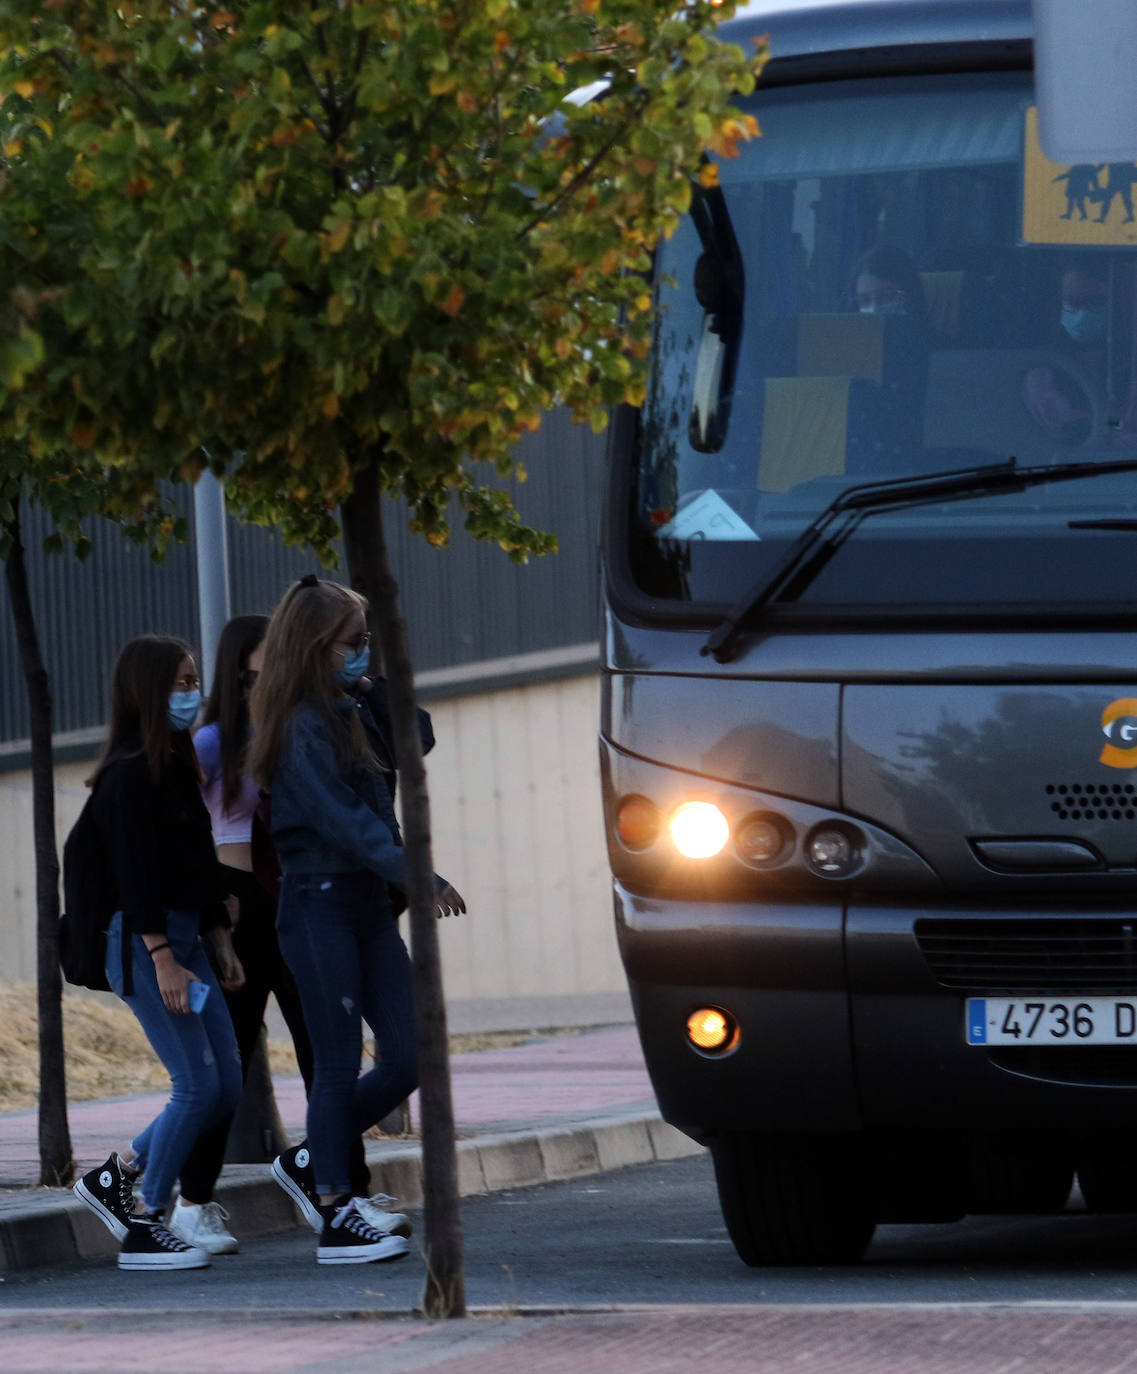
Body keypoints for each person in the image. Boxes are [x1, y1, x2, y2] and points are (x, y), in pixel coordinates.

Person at [167, 616, 414, 1254]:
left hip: (292, 895)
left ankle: (343, 1189)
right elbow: (183, 823)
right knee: (228, 1061)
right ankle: (193, 1201)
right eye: (265, 652)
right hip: (237, 903)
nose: (280, 658)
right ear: (242, 664)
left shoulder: (300, 720)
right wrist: (209, 913)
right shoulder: (216, 740)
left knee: (325, 1054)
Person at [248, 576, 465, 1265]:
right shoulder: (298, 726)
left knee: (412, 1053)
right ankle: (336, 1208)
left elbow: (417, 738)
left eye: (367, 640)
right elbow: (342, 822)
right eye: (353, 642)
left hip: (367, 904)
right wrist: (416, 874)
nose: (363, 652)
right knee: (337, 1061)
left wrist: (373, 686)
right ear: (315, 646)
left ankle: (317, 1157)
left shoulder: (350, 707)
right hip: (319, 903)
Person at [71, 635, 244, 1271]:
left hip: (187, 937)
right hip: (147, 942)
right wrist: (164, 958)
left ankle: (116, 1177)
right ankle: (145, 1221)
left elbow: (194, 865)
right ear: (146, 691)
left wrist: (218, 939)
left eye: (194, 681)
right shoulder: (127, 775)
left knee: (225, 1085)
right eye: (180, 683)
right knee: (195, 1085)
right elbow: (135, 878)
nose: (192, 694)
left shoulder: (174, 765)